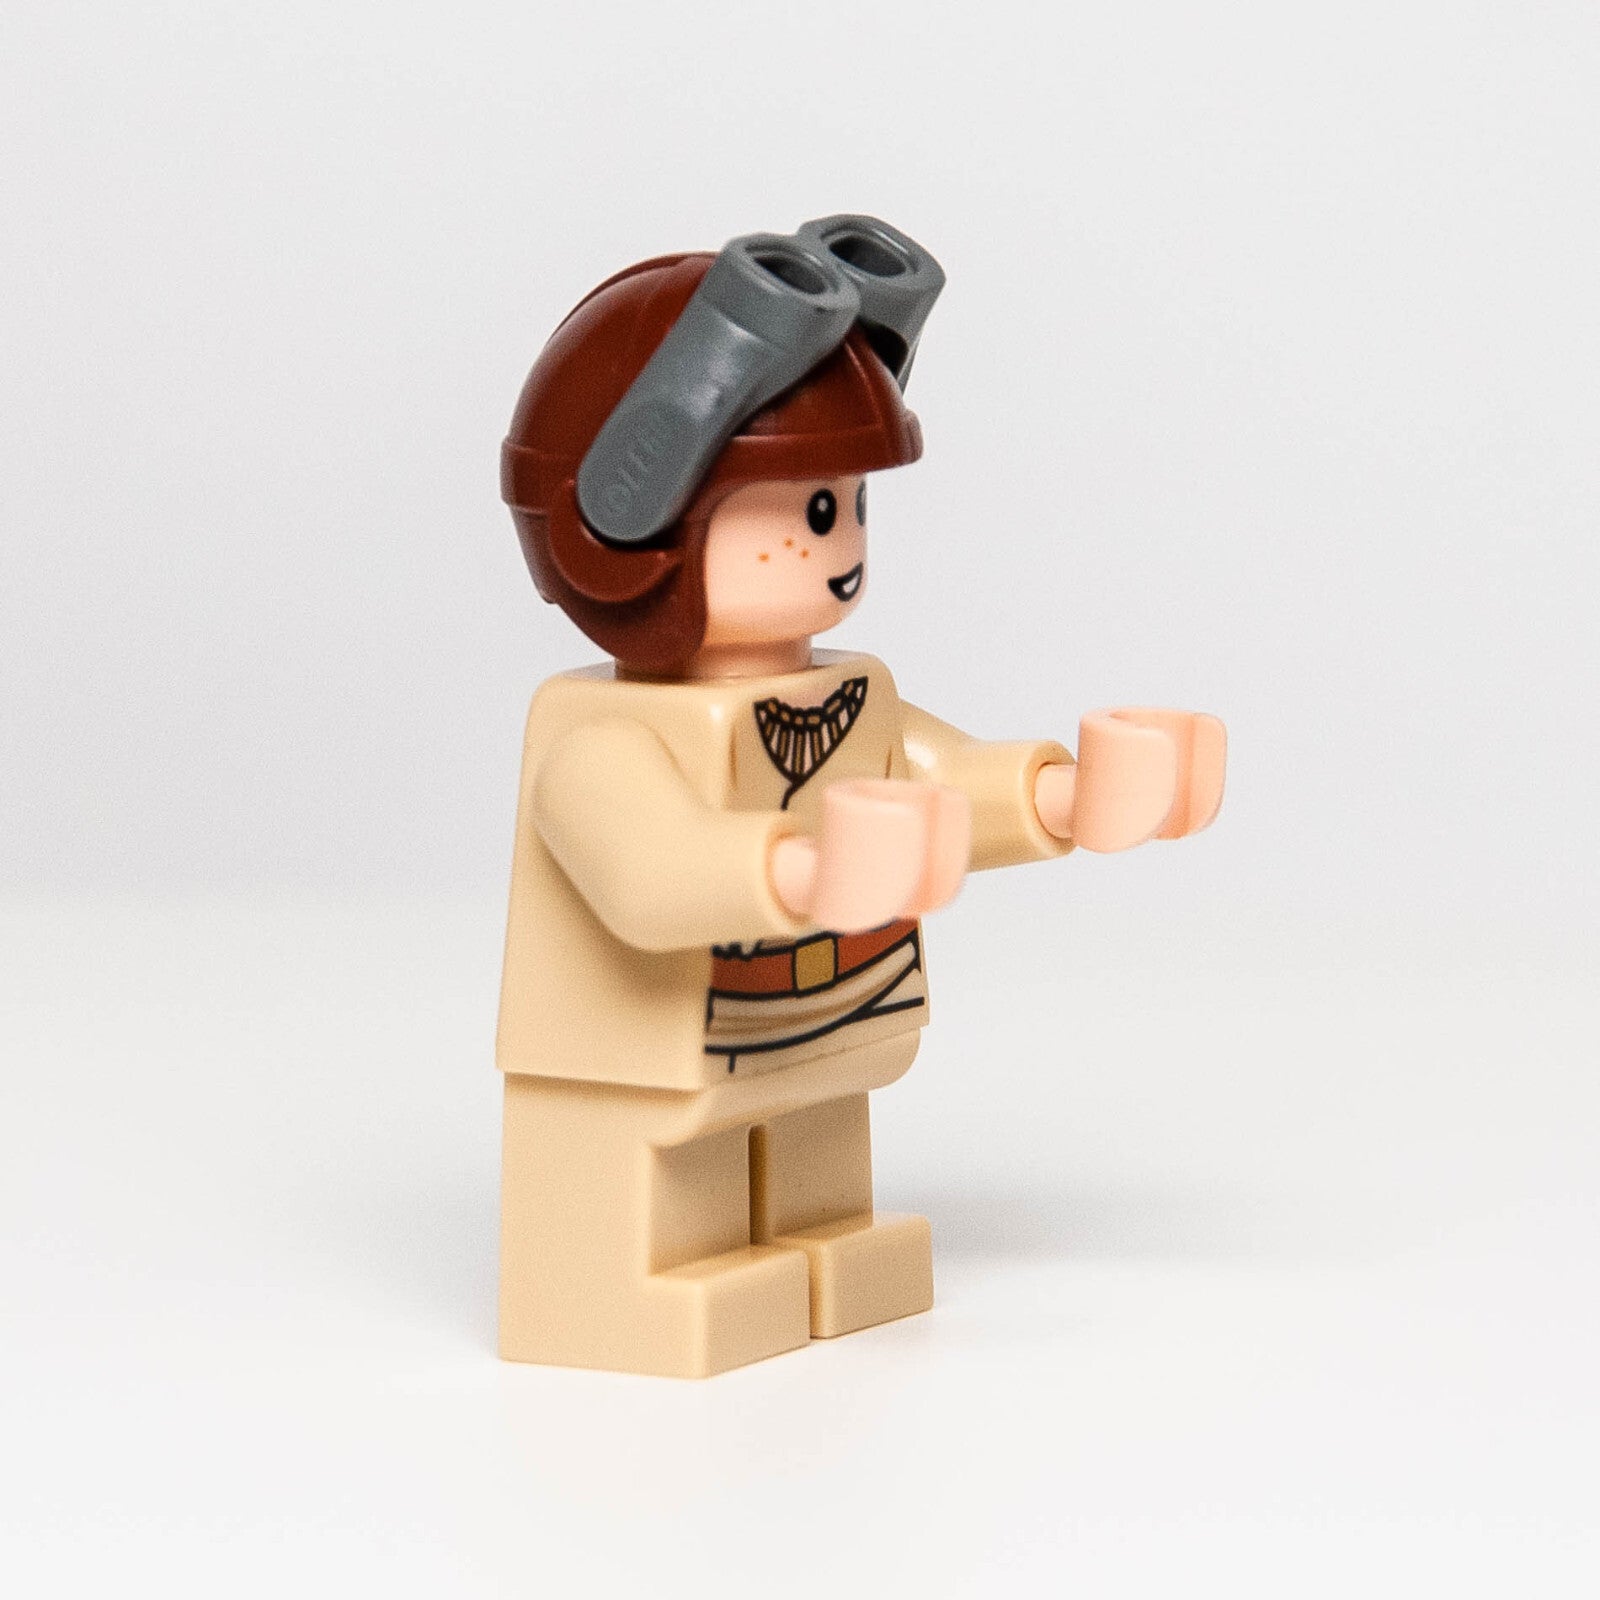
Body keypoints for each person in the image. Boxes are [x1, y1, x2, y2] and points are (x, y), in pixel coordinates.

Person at [495, 221, 1226, 1376]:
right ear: (635, 522)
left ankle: (818, 1240)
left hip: (818, 1016)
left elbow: (940, 775)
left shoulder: (846, 695)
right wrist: (806, 868)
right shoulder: (603, 736)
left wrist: (1070, 797)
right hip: (643, 1057)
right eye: (808, 510)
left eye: (843, 505)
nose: (835, 542)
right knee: (657, 1160)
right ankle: (618, 1285)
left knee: (815, 1134)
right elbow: (648, 872)